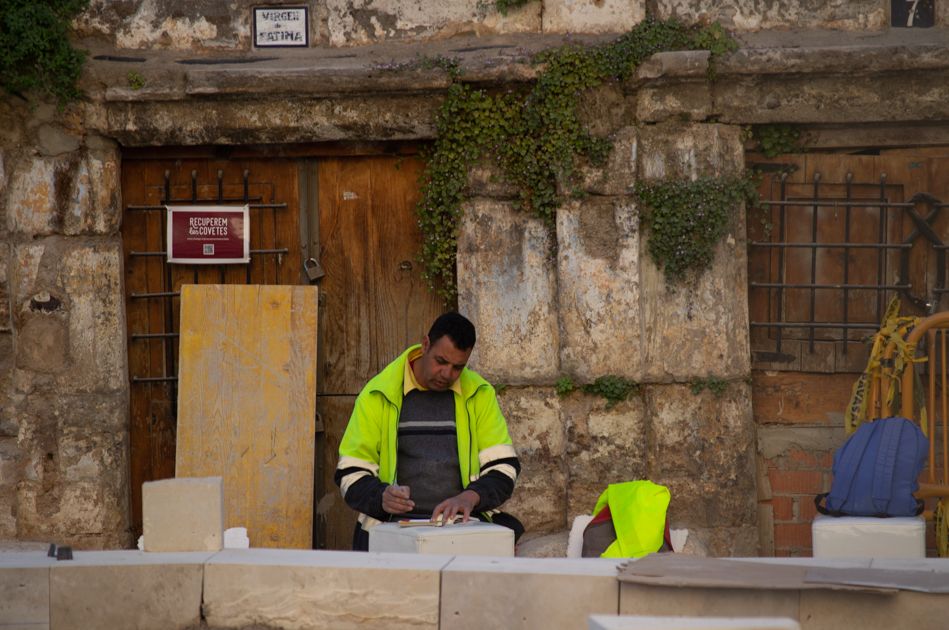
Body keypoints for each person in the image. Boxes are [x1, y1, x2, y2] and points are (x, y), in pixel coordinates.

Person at [334, 312, 521, 551]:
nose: (447, 374)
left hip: (462, 529)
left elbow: (504, 467)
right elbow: (350, 473)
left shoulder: (480, 393)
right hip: (391, 529)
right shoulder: (377, 393)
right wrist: (381, 496)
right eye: (441, 361)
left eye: (458, 367)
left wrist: (470, 497)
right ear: (425, 345)